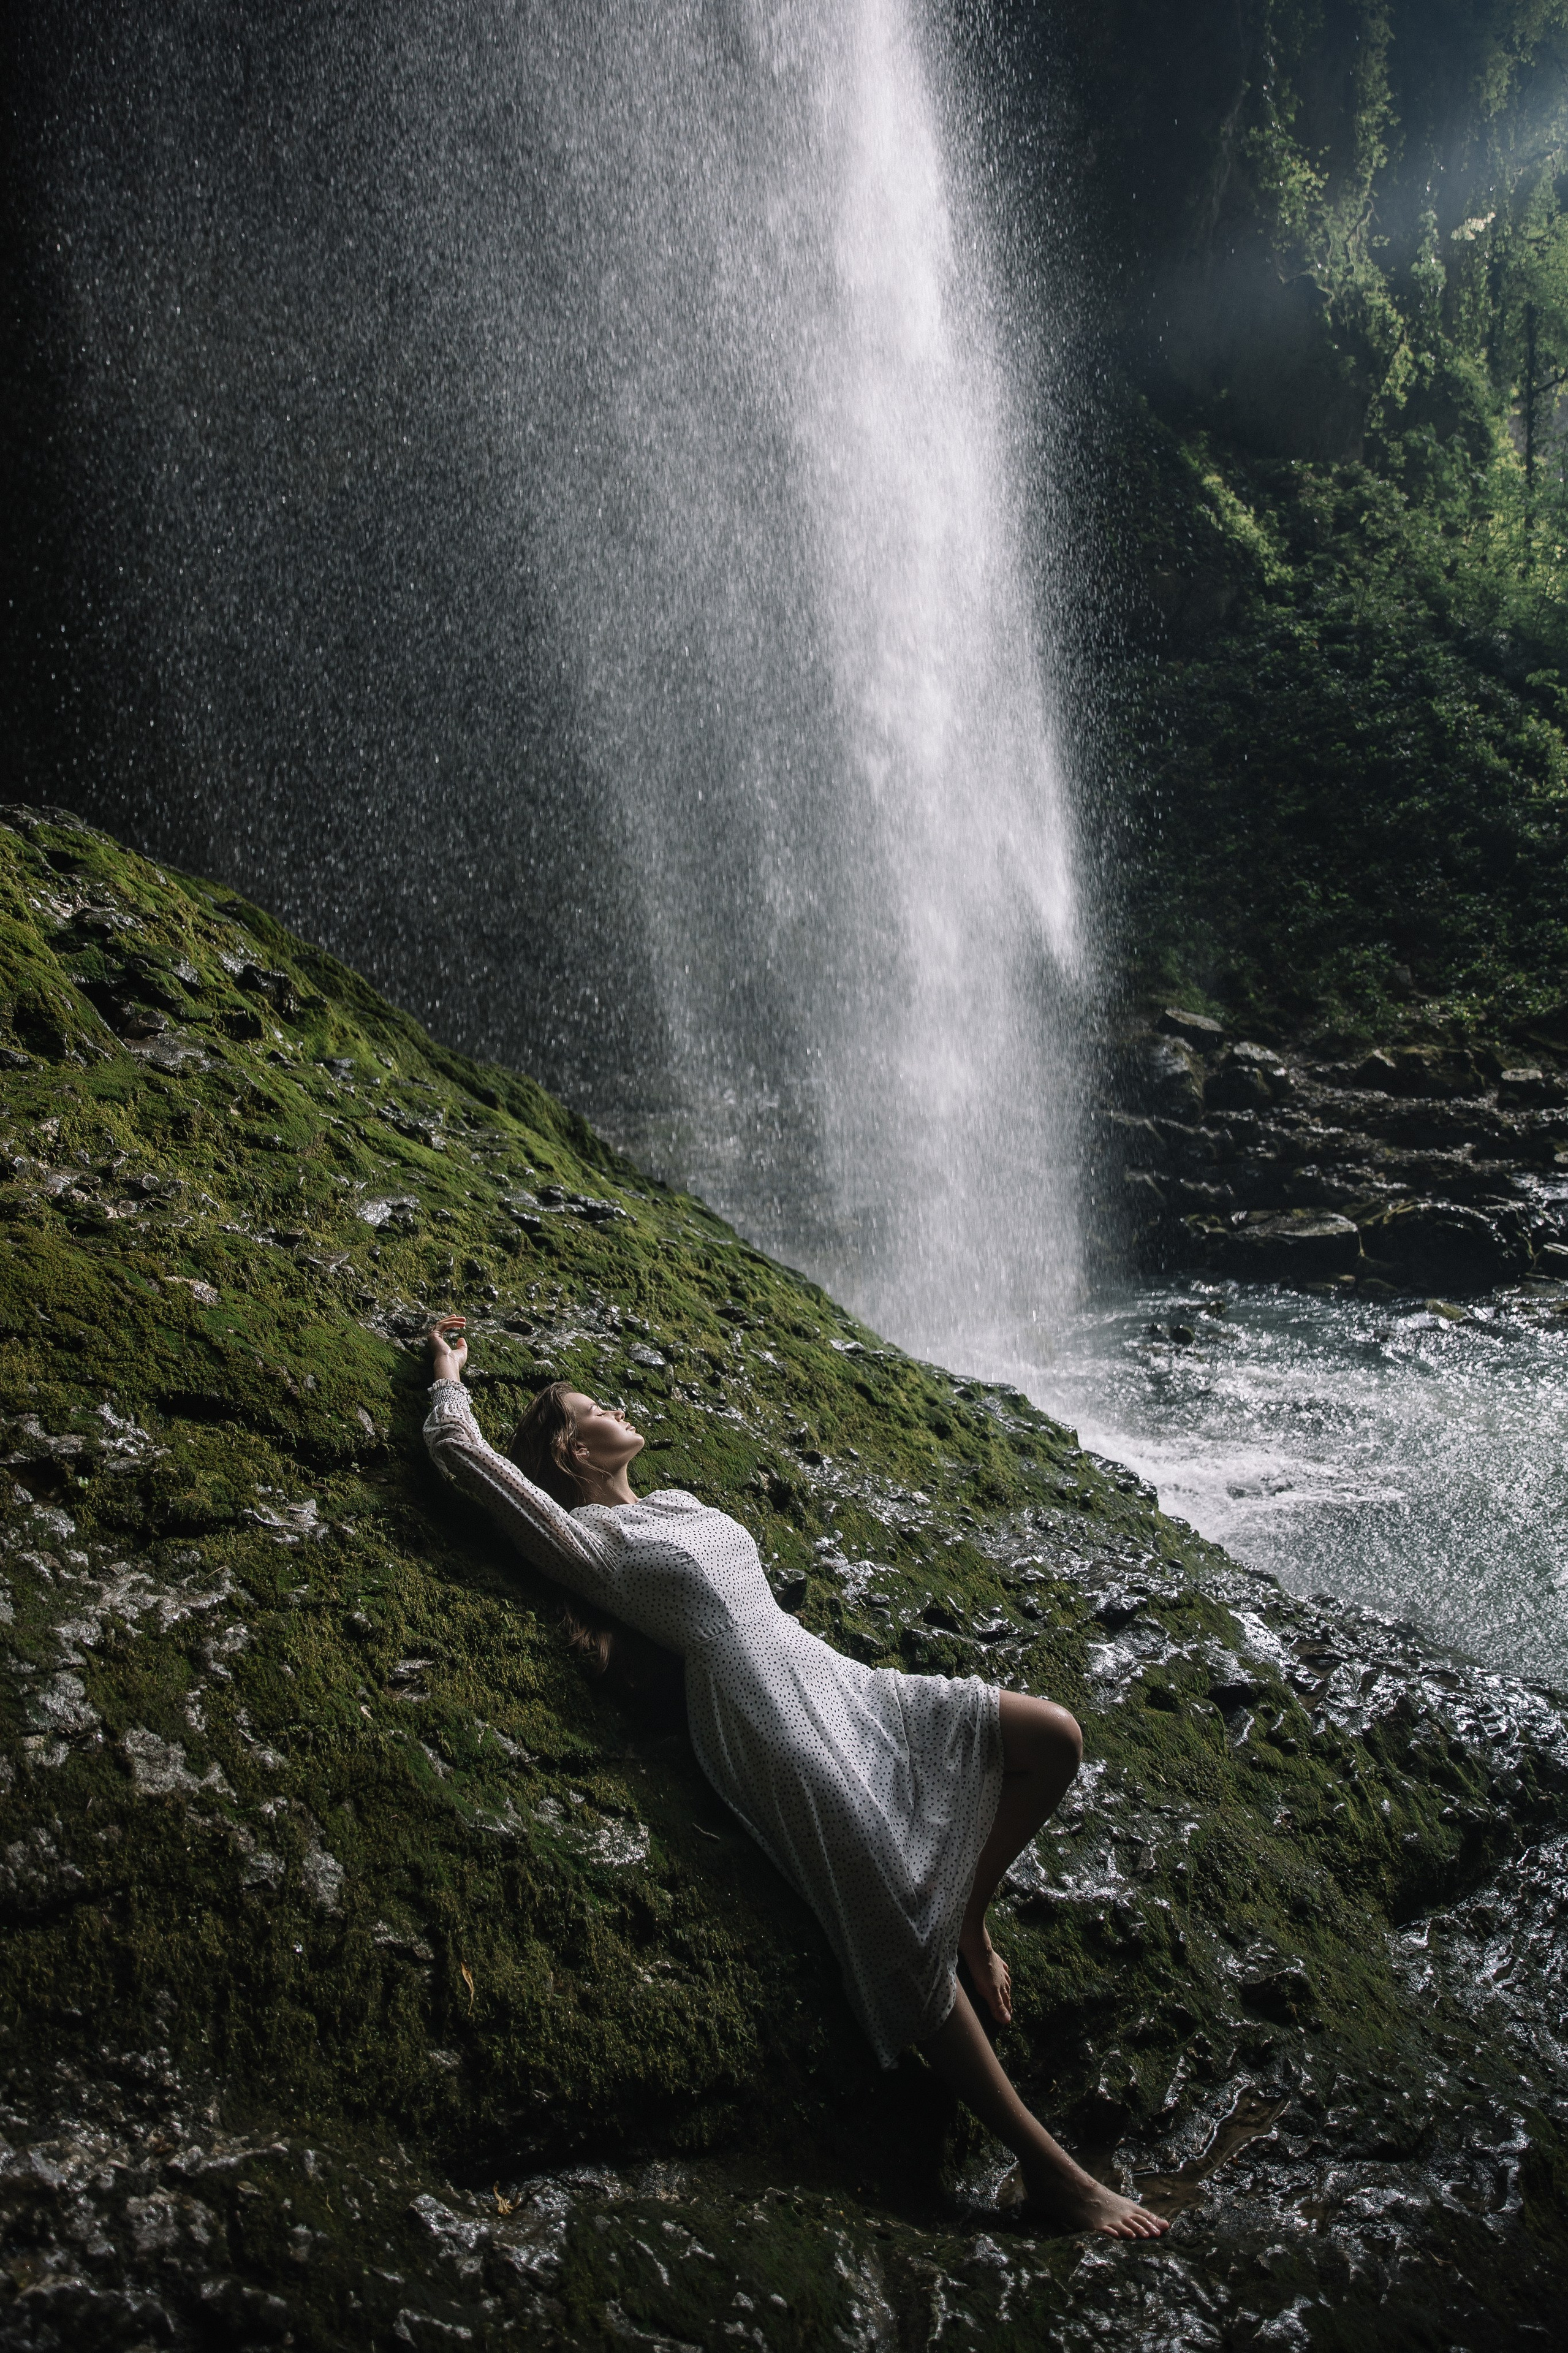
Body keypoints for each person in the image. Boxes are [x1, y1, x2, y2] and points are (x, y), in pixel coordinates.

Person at [423, 1313, 1168, 2240]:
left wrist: (968, 1910)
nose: (618, 1407)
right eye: (596, 1408)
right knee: (891, 1922)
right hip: (764, 1721)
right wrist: (450, 1372)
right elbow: (460, 1453)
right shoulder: (589, 1540)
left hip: (834, 1678)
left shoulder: (683, 1502)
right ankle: (1051, 2170)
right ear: (574, 1448)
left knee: (1052, 1738)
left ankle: (969, 1917)